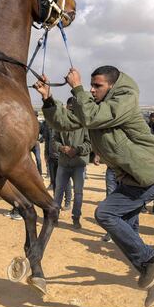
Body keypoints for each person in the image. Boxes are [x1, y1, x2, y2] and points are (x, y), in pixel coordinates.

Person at [37, 65, 154, 307]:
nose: (92, 89)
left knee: (105, 213)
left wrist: (77, 87)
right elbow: (67, 122)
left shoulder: (124, 100)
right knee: (127, 237)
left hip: (148, 175)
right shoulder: (96, 106)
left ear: (112, 85)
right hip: (131, 178)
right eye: (91, 85)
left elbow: (92, 117)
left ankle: (153, 260)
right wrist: (48, 99)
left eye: (97, 86)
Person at [53, 97, 92, 229]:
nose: (71, 113)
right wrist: (61, 148)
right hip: (63, 164)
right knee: (58, 191)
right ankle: (54, 217)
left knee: (78, 192)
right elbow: (55, 141)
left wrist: (77, 150)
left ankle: (76, 218)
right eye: (69, 109)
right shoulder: (61, 123)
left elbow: (90, 143)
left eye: (73, 110)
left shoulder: (84, 124)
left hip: (78, 164)